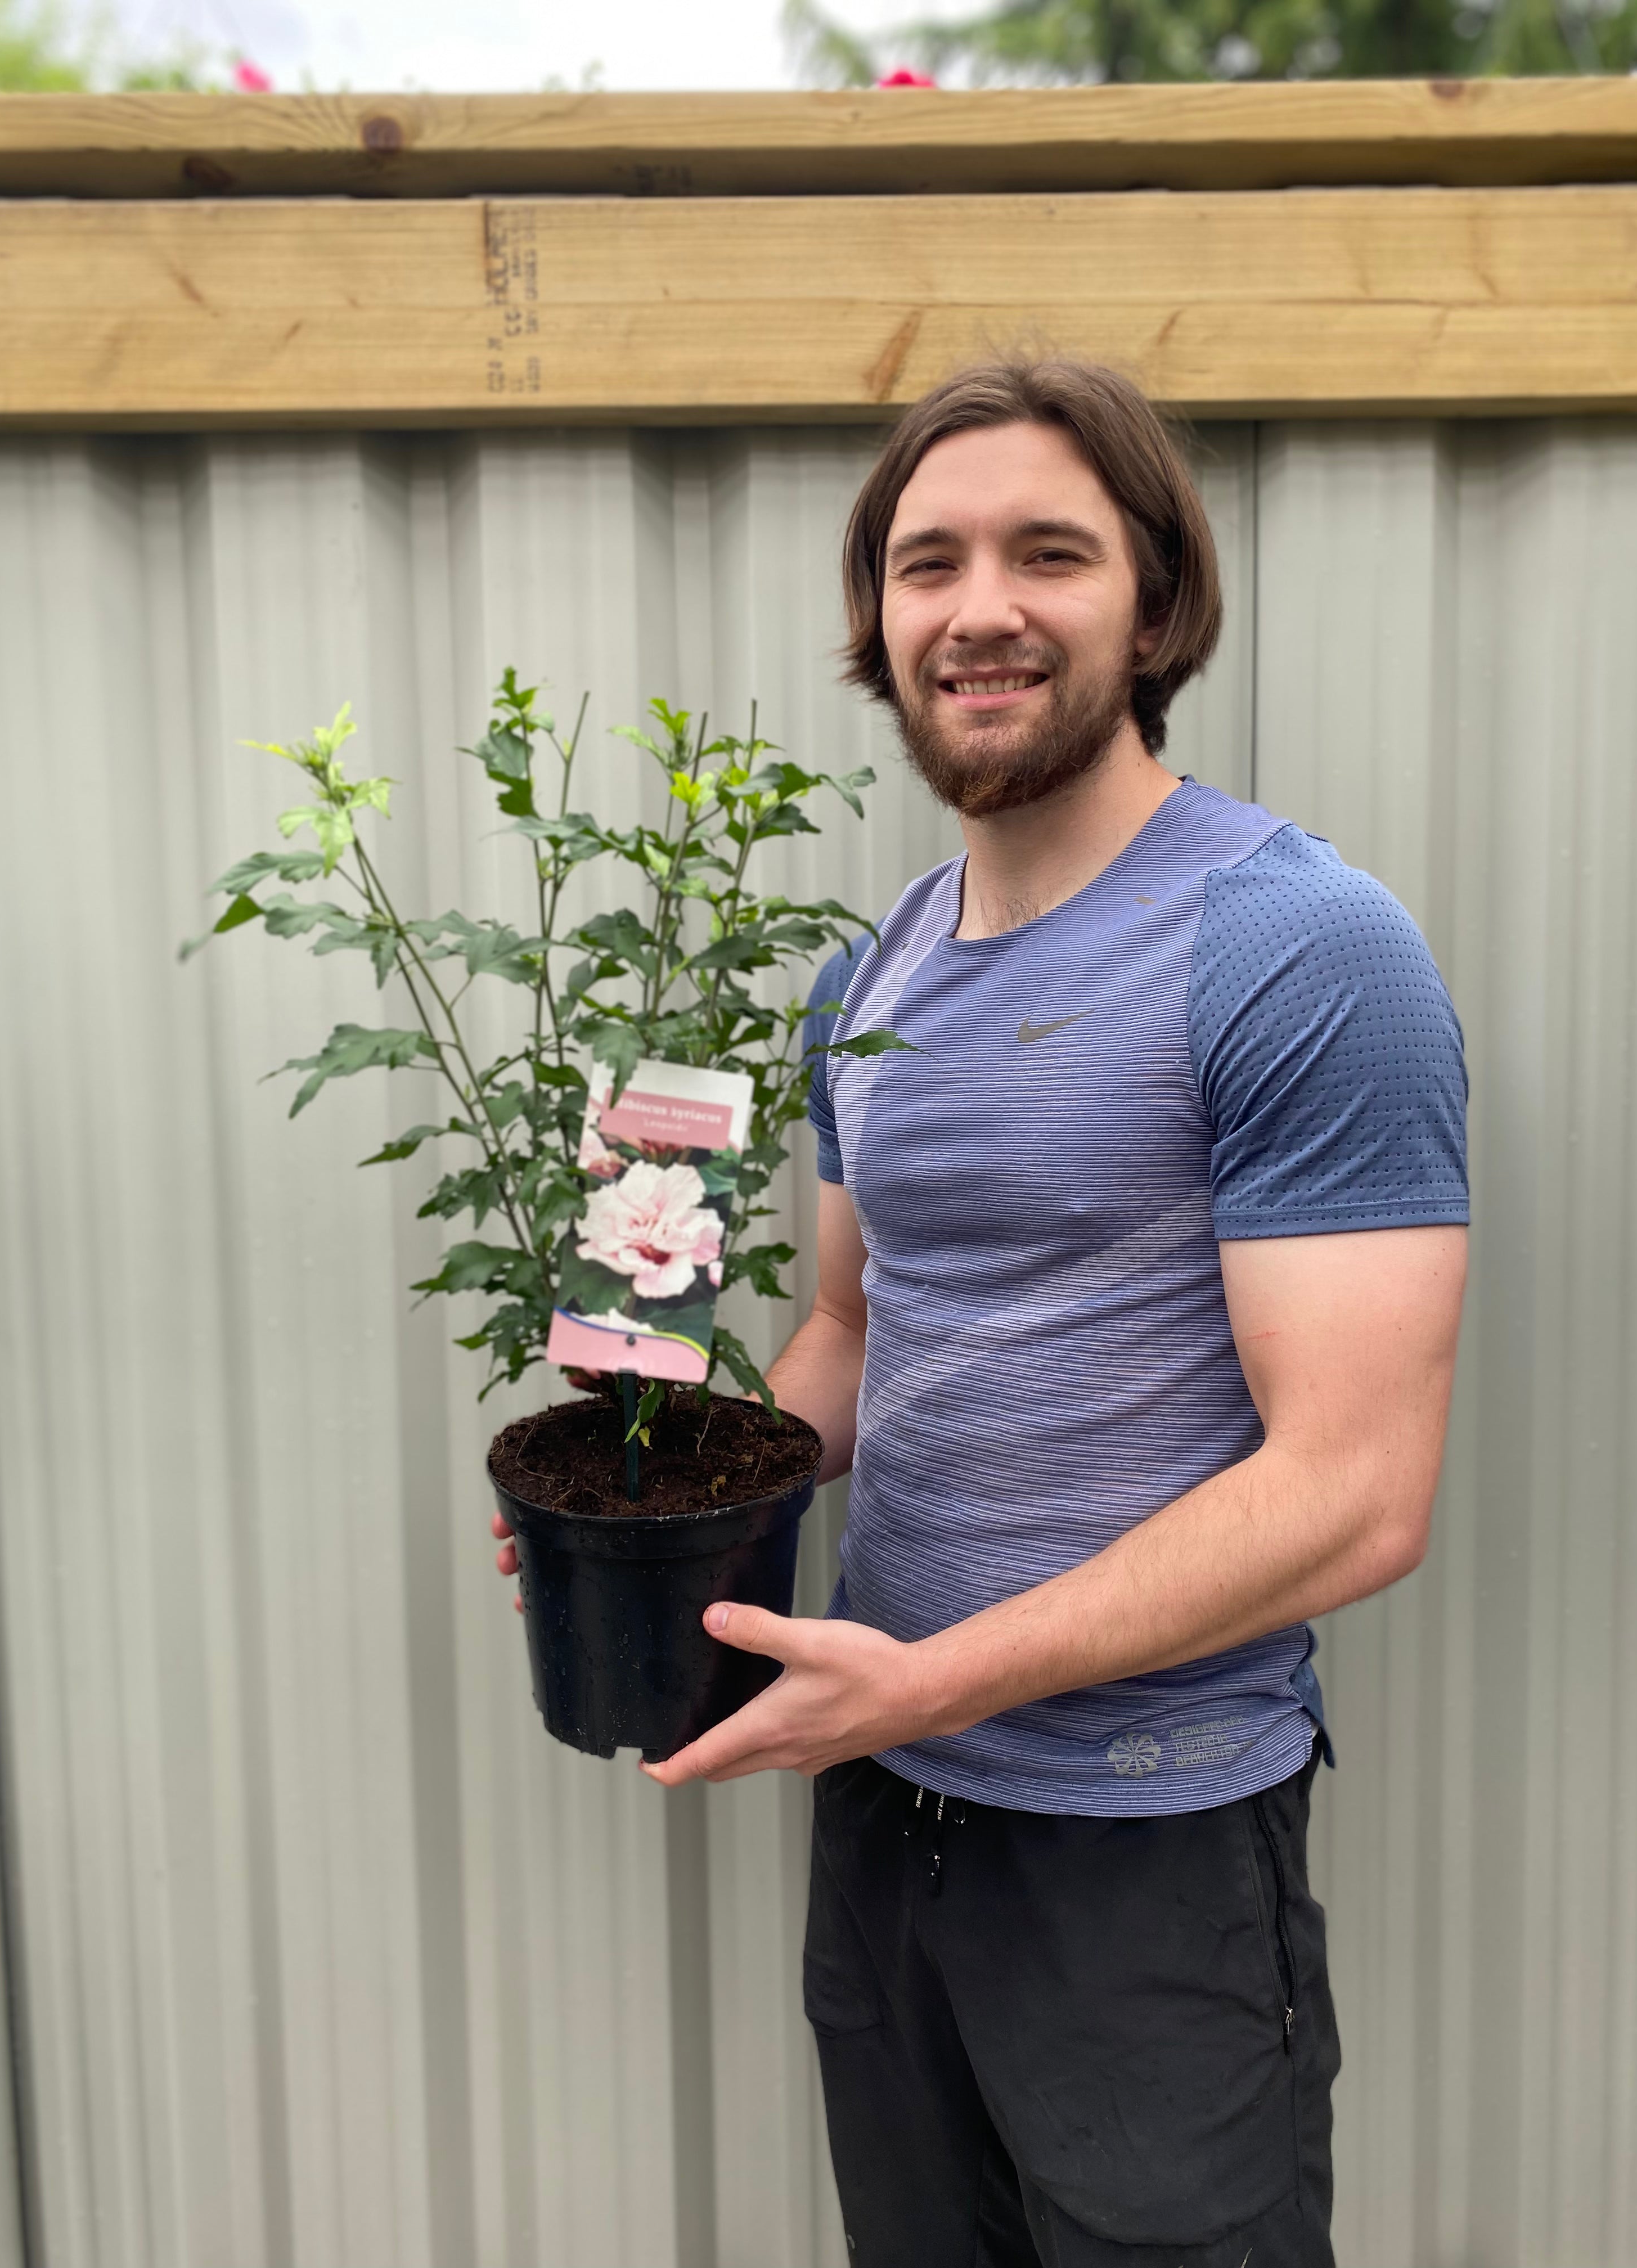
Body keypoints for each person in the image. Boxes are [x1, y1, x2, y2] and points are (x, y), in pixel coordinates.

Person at [492, 358, 1469, 2266]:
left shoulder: (1295, 944)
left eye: (1050, 554)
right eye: (927, 563)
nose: (981, 608)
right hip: (887, 1815)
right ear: (879, 623)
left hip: (1143, 1841)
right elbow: (855, 1332)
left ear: (1156, 606)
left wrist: (933, 1679)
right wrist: (655, 1497)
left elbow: (1360, 1493)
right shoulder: (872, 974)